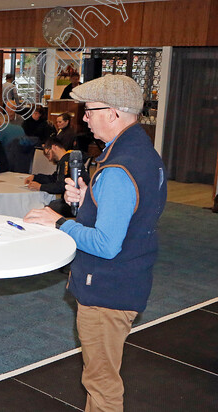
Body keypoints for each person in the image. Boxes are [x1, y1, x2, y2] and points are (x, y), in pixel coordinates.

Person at [24, 74, 167, 412]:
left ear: (114, 113)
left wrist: (59, 222)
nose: (84, 118)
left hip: (107, 290)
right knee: (100, 378)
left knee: (101, 385)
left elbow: (105, 243)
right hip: (127, 281)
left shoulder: (118, 168)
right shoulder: (142, 153)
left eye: (89, 111)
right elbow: (132, 210)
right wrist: (91, 197)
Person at [24, 138, 88, 217]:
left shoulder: (67, 161)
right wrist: (35, 177)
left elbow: (61, 186)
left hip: (75, 201)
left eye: (48, 154)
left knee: (45, 207)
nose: (49, 159)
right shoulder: (65, 160)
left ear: (54, 147)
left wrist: (40, 187)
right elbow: (55, 178)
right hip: (73, 199)